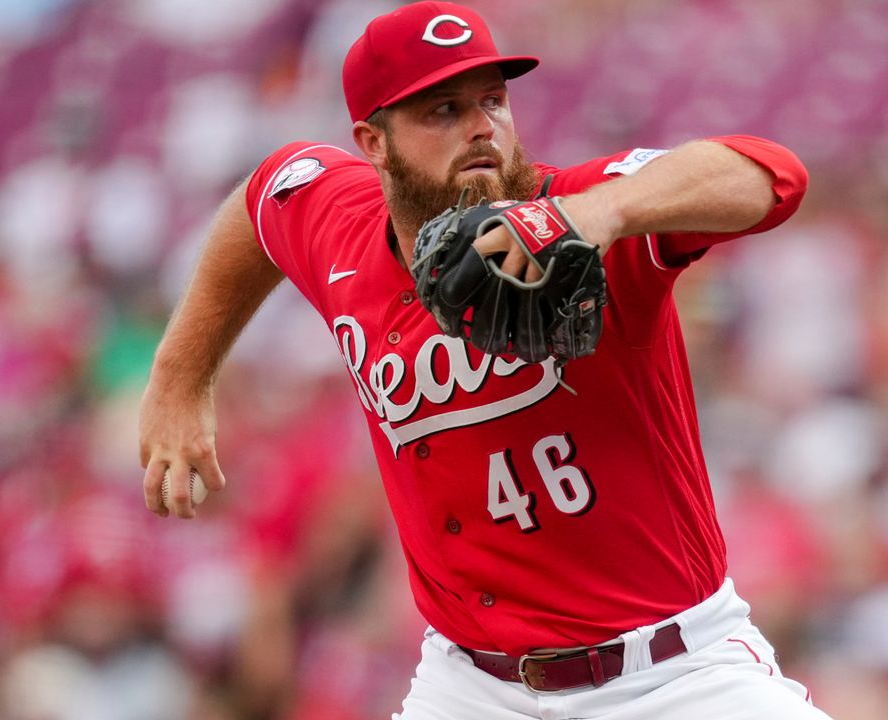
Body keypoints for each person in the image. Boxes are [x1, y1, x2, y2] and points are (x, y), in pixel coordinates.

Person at [139, 2, 824, 718]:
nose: (481, 128)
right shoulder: (340, 230)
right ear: (374, 143)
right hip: (472, 686)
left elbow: (771, 175)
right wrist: (181, 376)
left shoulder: (578, 211)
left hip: (673, 672)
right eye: (442, 110)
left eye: (493, 100)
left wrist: (600, 214)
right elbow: (262, 202)